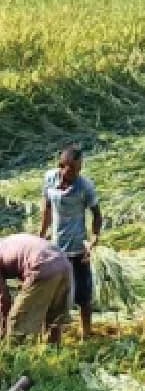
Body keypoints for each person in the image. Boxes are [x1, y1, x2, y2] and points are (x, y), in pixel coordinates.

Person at [39, 145, 100, 338]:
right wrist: (41, 235)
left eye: (79, 168)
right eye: (72, 169)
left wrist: (93, 240)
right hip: (56, 248)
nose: (75, 173)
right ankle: (52, 333)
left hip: (78, 248)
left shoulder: (85, 186)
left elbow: (97, 215)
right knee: (55, 294)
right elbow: (47, 208)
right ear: (61, 166)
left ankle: (86, 333)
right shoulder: (50, 179)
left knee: (83, 294)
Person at [0, 233, 73, 344]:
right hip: (64, 265)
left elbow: (4, 300)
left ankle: (16, 357)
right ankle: (54, 353)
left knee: (18, 322)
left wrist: (3, 329)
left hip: (41, 266)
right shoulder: (7, 243)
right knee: (54, 319)